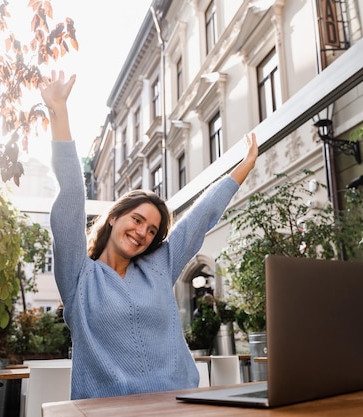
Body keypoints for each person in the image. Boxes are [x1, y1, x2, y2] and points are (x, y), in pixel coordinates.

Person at [40, 70, 258, 399]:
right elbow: (70, 195)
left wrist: (243, 168)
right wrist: (60, 110)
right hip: (108, 410)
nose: (143, 232)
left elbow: (198, 220)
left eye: (152, 229)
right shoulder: (78, 276)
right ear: (113, 218)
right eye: (137, 220)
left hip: (179, 403)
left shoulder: (157, 268)